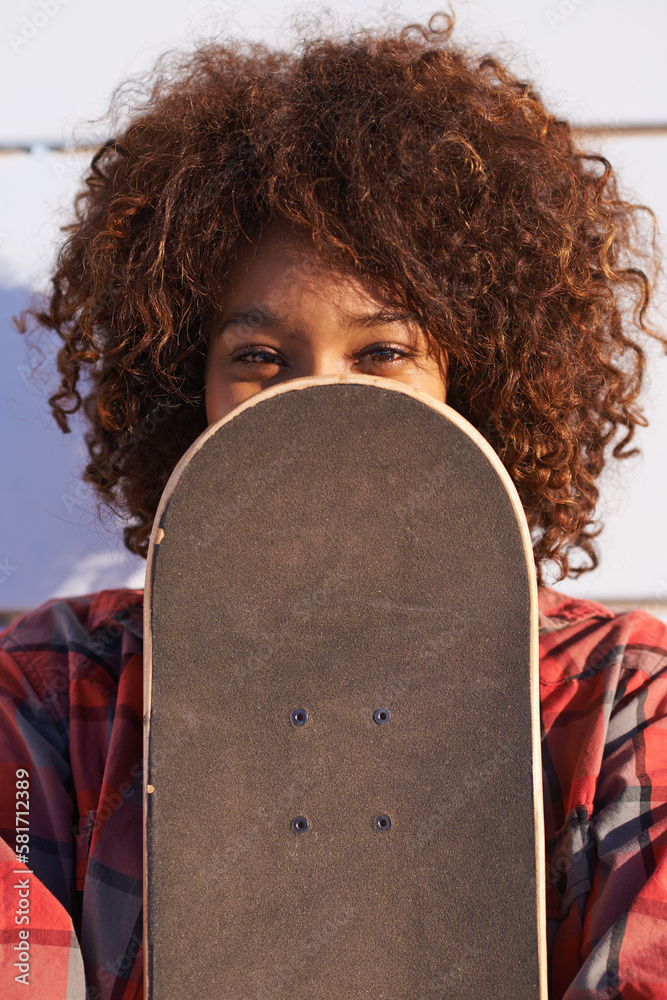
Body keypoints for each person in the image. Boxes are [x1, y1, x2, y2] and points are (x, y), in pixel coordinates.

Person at [1, 14, 666, 999]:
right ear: (187, 394)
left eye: (384, 353)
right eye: (260, 359)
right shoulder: (51, 699)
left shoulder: (615, 701)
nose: (318, 399)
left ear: (472, 386)